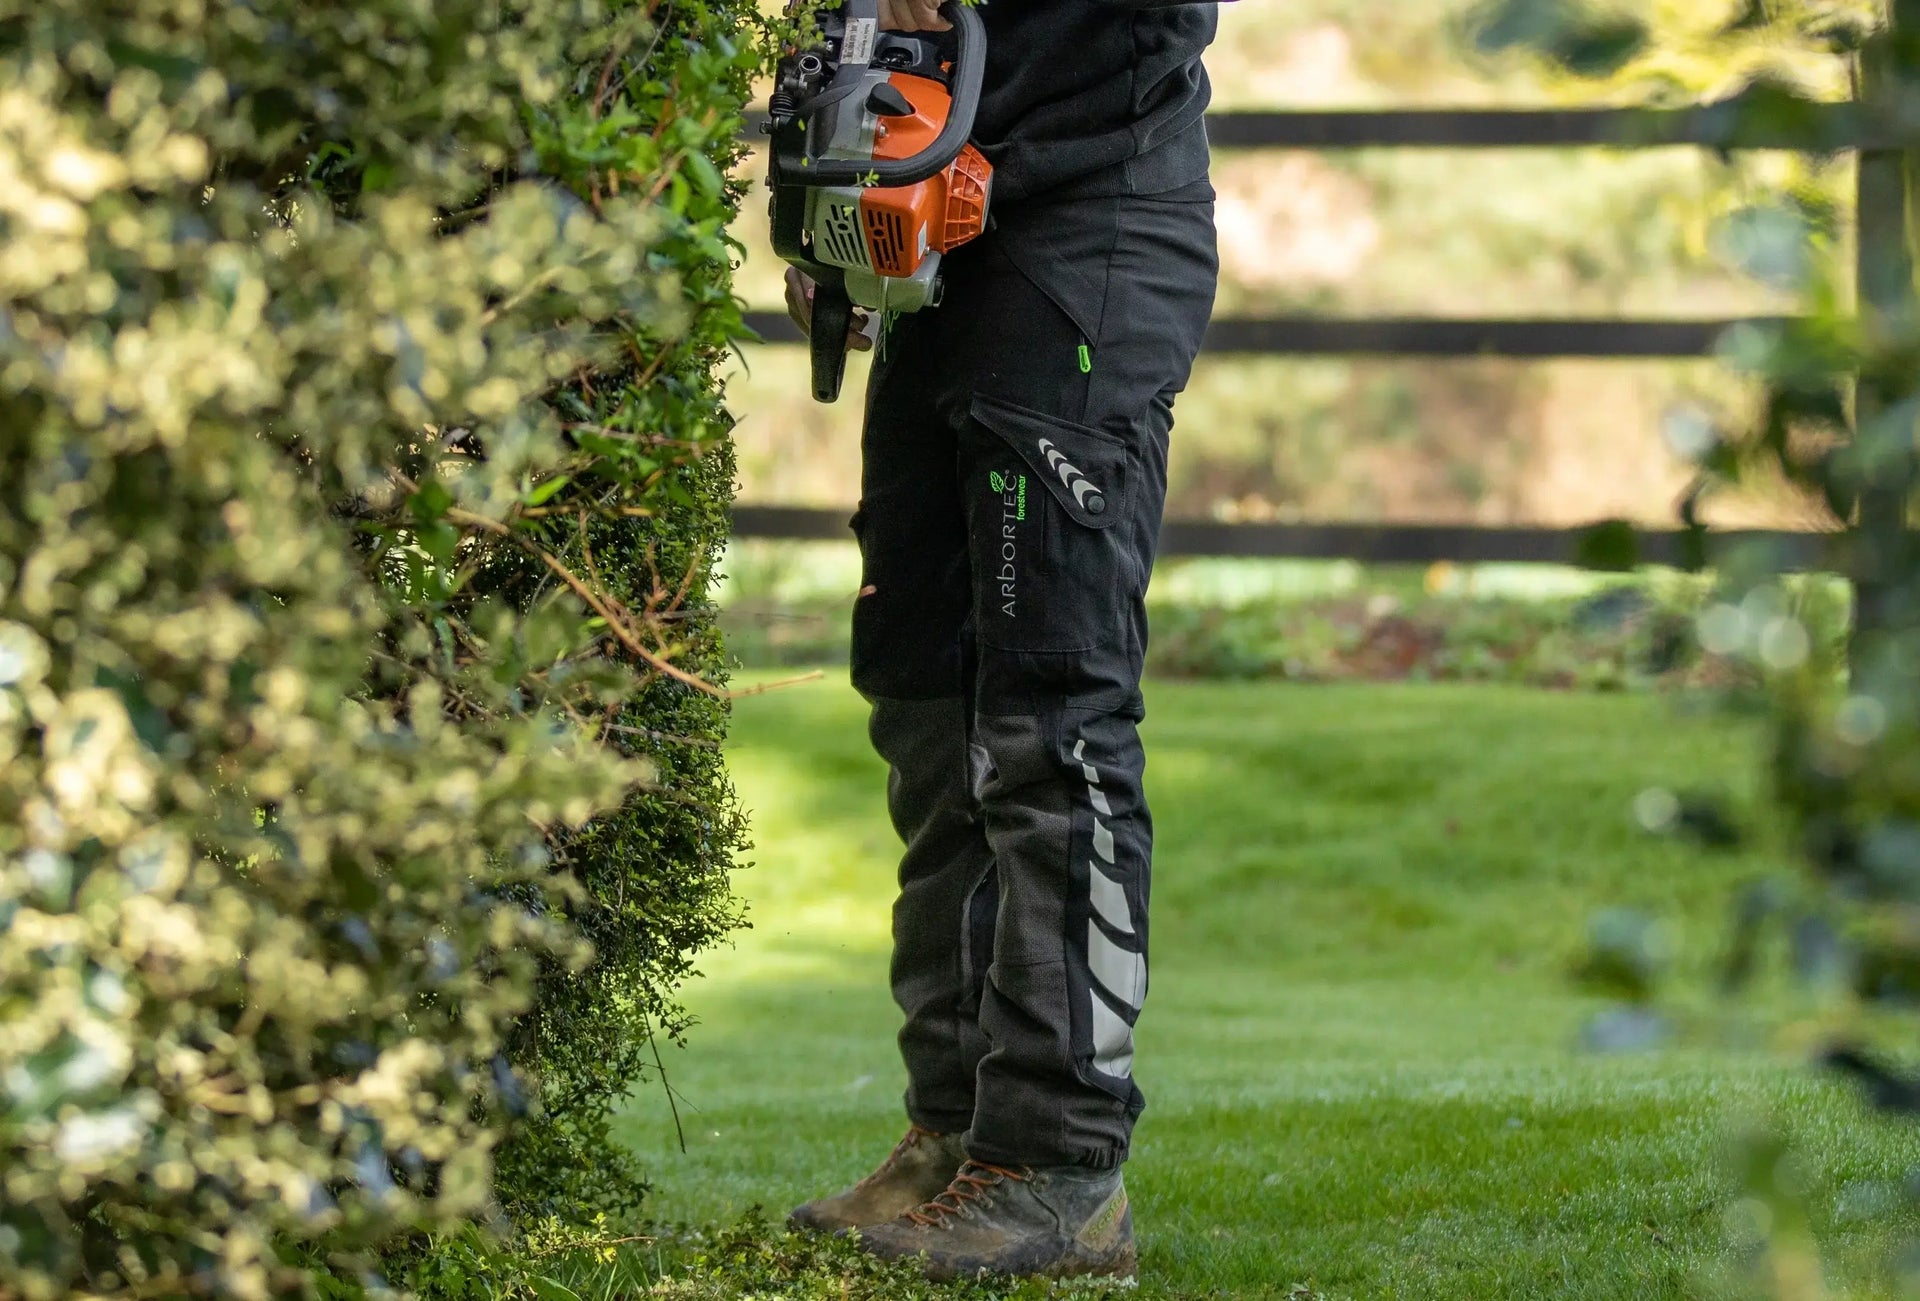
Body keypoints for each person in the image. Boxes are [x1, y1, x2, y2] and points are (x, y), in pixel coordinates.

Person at [780, 0, 1222, 1281]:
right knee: (930, 703)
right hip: (944, 236)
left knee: (1050, 721)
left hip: (1085, 229)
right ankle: (956, 1135)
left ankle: (1059, 1166)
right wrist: (838, 198)